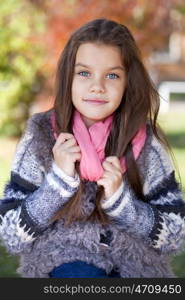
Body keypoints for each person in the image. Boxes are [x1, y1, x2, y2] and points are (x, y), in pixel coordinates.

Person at [0, 18, 185, 278]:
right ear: (68, 78)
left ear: (127, 82)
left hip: (136, 268)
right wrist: (58, 183)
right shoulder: (40, 136)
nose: (97, 86)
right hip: (65, 264)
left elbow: (174, 237)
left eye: (112, 75)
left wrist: (122, 203)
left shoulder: (147, 144)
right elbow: (11, 236)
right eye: (84, 73)